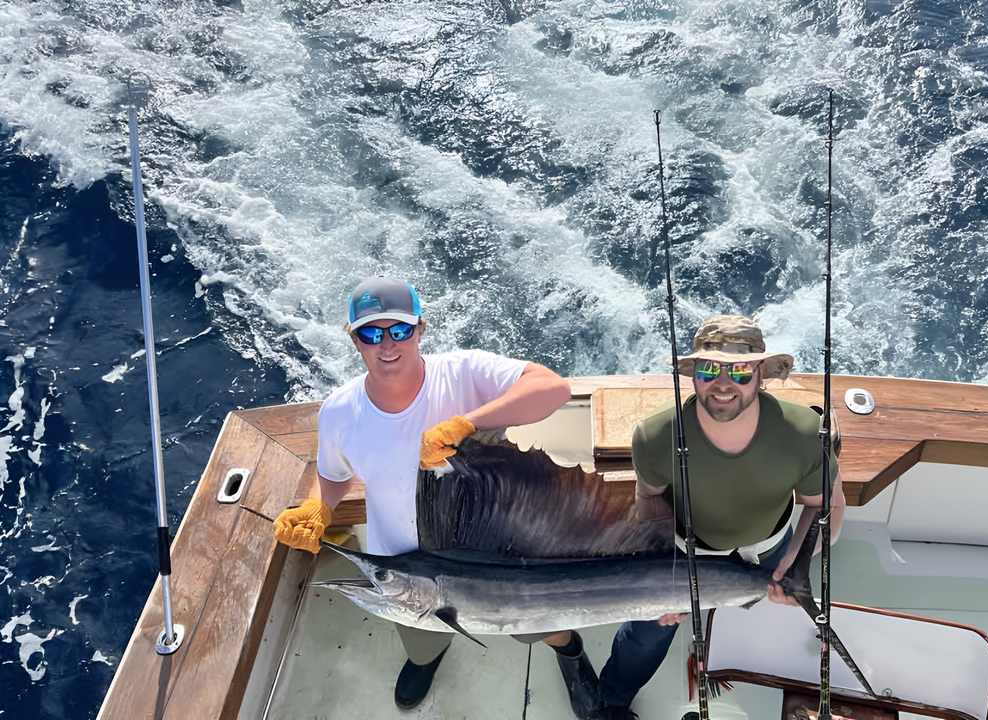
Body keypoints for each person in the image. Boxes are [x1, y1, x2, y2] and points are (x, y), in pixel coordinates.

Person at [272, 276, 600, 718]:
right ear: (354, 340)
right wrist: (319, 505)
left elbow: (553, 389)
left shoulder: (465, 372)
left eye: (400, 331)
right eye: (371, 333)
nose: (387, 344)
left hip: (493, 553)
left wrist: (467, 423)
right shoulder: (339, 410)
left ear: (420, 331)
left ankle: (570, 652)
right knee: (419, 634)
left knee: (538, 628)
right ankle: (426, 658)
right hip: (402, 561)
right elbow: (333, 475)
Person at [596, 315, 844, 720]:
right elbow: (649, 497)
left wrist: (795, 563)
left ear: (761, 373)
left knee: (756, 620)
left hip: (769, 550)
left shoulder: (803, 433)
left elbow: (825, 505)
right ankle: (613, 697)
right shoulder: (656, 434)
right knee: (646, 632)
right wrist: (660, 570)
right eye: (709, 369)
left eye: (741, 371)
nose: (723, 383)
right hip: (683, 552)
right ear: (694, 374)